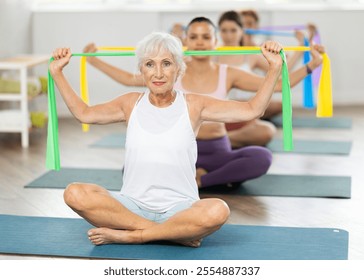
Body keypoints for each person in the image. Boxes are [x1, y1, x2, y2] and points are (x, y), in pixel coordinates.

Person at [50, 32, 283, 246]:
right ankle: (171, 233)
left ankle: (134, 236)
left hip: (181, 209)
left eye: (167, 64)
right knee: (74, 193)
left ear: (179, 70)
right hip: (132, 206)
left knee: (218, 210)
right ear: (141, 70)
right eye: (150, 64)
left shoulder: (194, 104)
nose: (158, 73)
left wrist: (273, 69)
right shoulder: (130, 103)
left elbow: (252, 110)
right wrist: (57, 73)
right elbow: (84, 113)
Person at [82, 17, 324, 189]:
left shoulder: (227, 72)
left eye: (206, 36)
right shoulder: (170, 71)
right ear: (185, 41)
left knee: (262, 157)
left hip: (218, 150)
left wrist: (312, 65)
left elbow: (280, 84)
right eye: (193, 37)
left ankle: (201, 181)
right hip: (178, 151)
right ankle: (213, 178)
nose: (199, 42)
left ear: (215, 41)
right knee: (131, 170)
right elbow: (127, 79)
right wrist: (94, 61)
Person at [217, 10, 306, 145]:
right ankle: (217, 138)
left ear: (242, 31)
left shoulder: (250, 55)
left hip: (246, 110)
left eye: (233, 30)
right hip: (220, 113)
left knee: (267, 131)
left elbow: (282, 70)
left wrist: (301, 47)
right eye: (224, 30)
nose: (228, 35)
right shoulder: (212, 54)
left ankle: (221, 140)